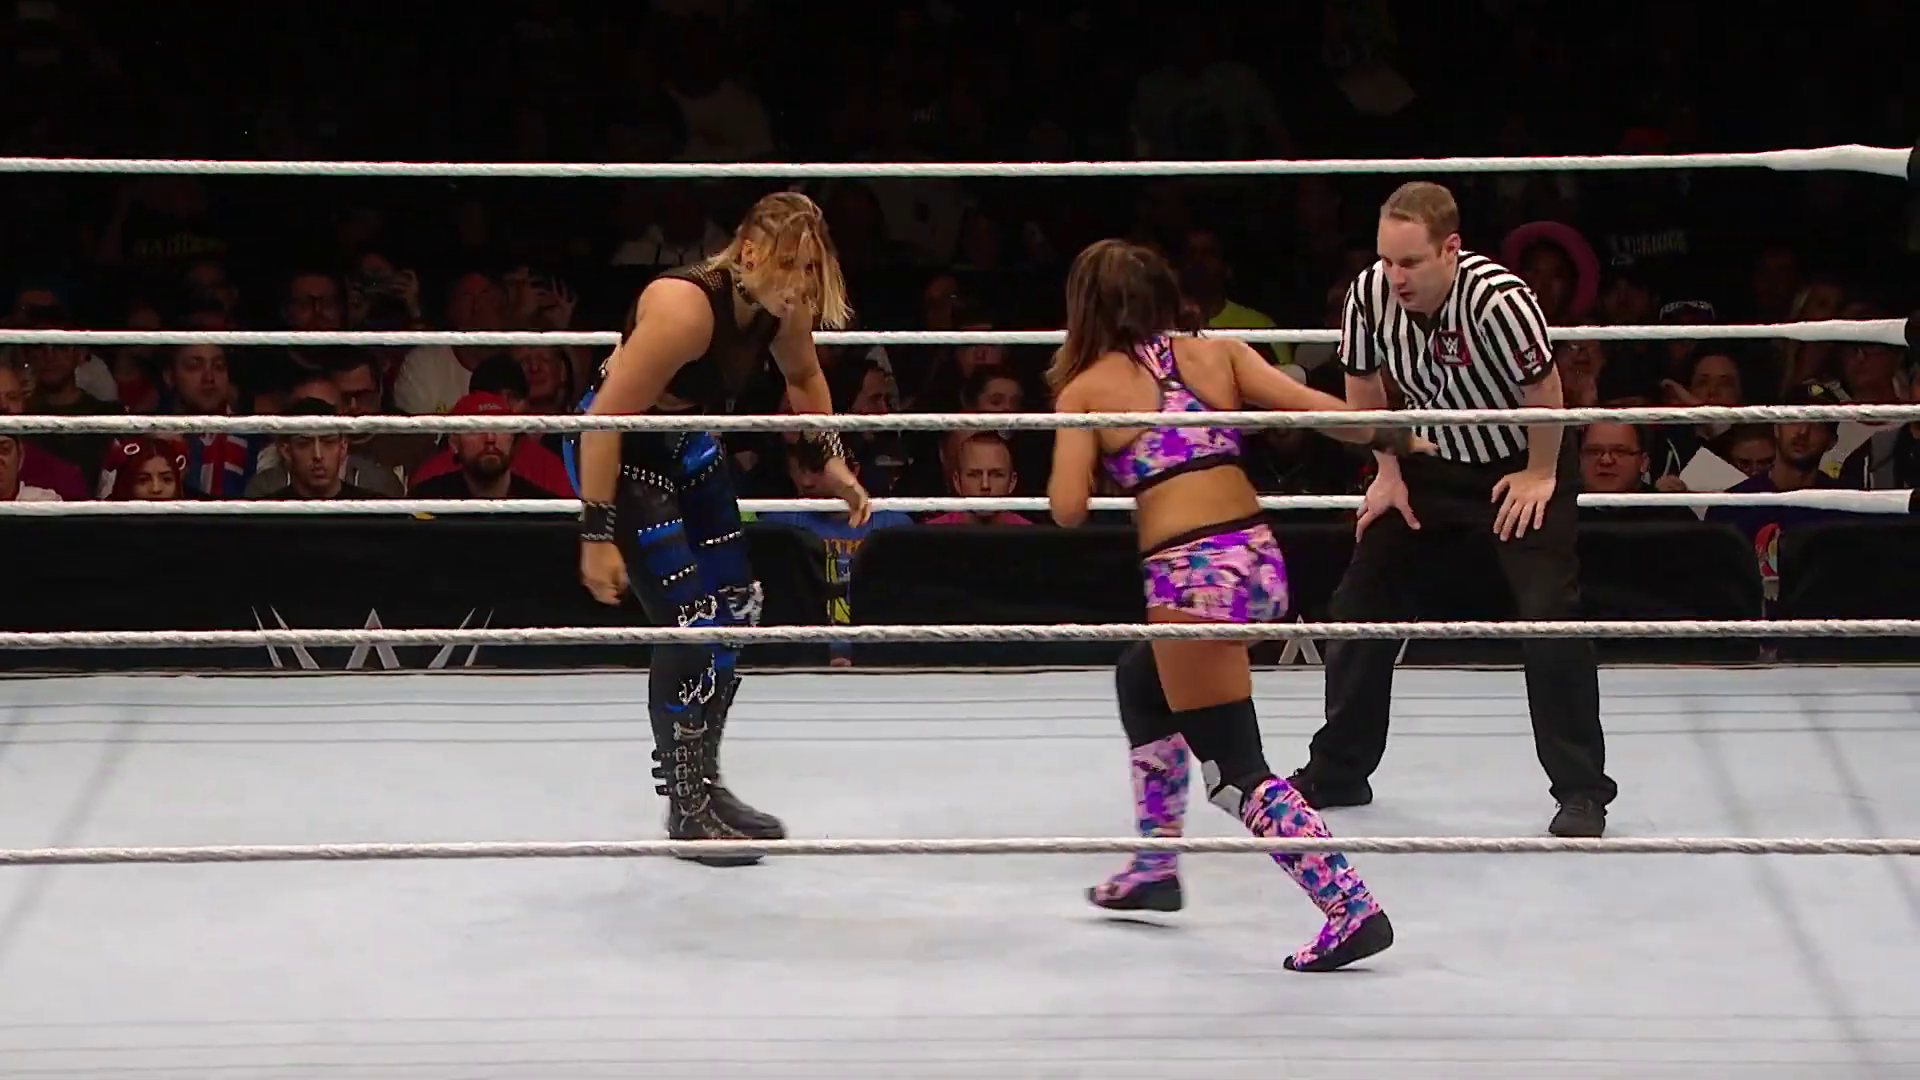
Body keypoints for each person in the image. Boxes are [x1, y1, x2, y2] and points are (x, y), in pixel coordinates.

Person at [1047, 239, 1424, 973]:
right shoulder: (1217, 353)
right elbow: (1320, 410)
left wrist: (1089, 436)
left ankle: (1350, 907)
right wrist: (1398, 435)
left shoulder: (1087, 389)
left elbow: (1065, 509)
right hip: (1257, 560)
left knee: (1234, 769)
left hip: (1191, 580)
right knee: (1141, 679)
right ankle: (1155, 867)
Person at [1289, 181, 1618, 838]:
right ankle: (1340, 769)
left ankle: (1582, 790)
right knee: (1359, 604)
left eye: (1411, 261)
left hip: (1521, 457)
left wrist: (1540, 473)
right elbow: (1362, 387)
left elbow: (1545, 391)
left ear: (1451, 249)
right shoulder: (1368, 294)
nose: (1396, 276)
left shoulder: (1499, 300)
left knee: (1550, 615)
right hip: (1429, 457)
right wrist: (1386, 472)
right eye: (1387, 260)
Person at [568, 192, 870, 867]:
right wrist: (596, 534)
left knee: (738, 608)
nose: (800, 281)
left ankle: (706, 783)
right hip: (622, 451)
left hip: (687, 443)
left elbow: (805, 376)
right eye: (789, 263)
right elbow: (603, 421)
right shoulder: (685, 309)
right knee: (692, 621)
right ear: (749, 251)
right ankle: (684, 806)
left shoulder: (782, 306)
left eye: (810, 267)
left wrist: (833, 462)